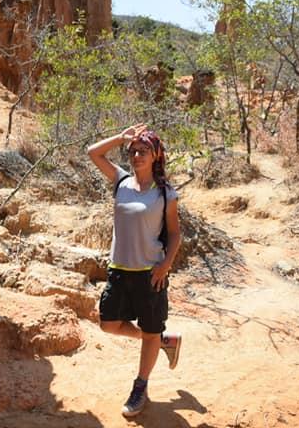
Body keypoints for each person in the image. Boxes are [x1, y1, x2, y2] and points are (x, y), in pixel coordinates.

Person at [87, 123, 182, 418]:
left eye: (143, 150)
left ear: (155, 156)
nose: (137, 155)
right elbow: (92, 152)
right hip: (118, 269)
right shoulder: (121, 181)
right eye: (133, 151)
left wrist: (165, 265)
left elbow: (176, 233)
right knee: (108, 324)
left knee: (151, 328)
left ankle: (140, 386)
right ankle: (162, 341)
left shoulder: (165, 193)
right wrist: (120, 137)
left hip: (149, 273)